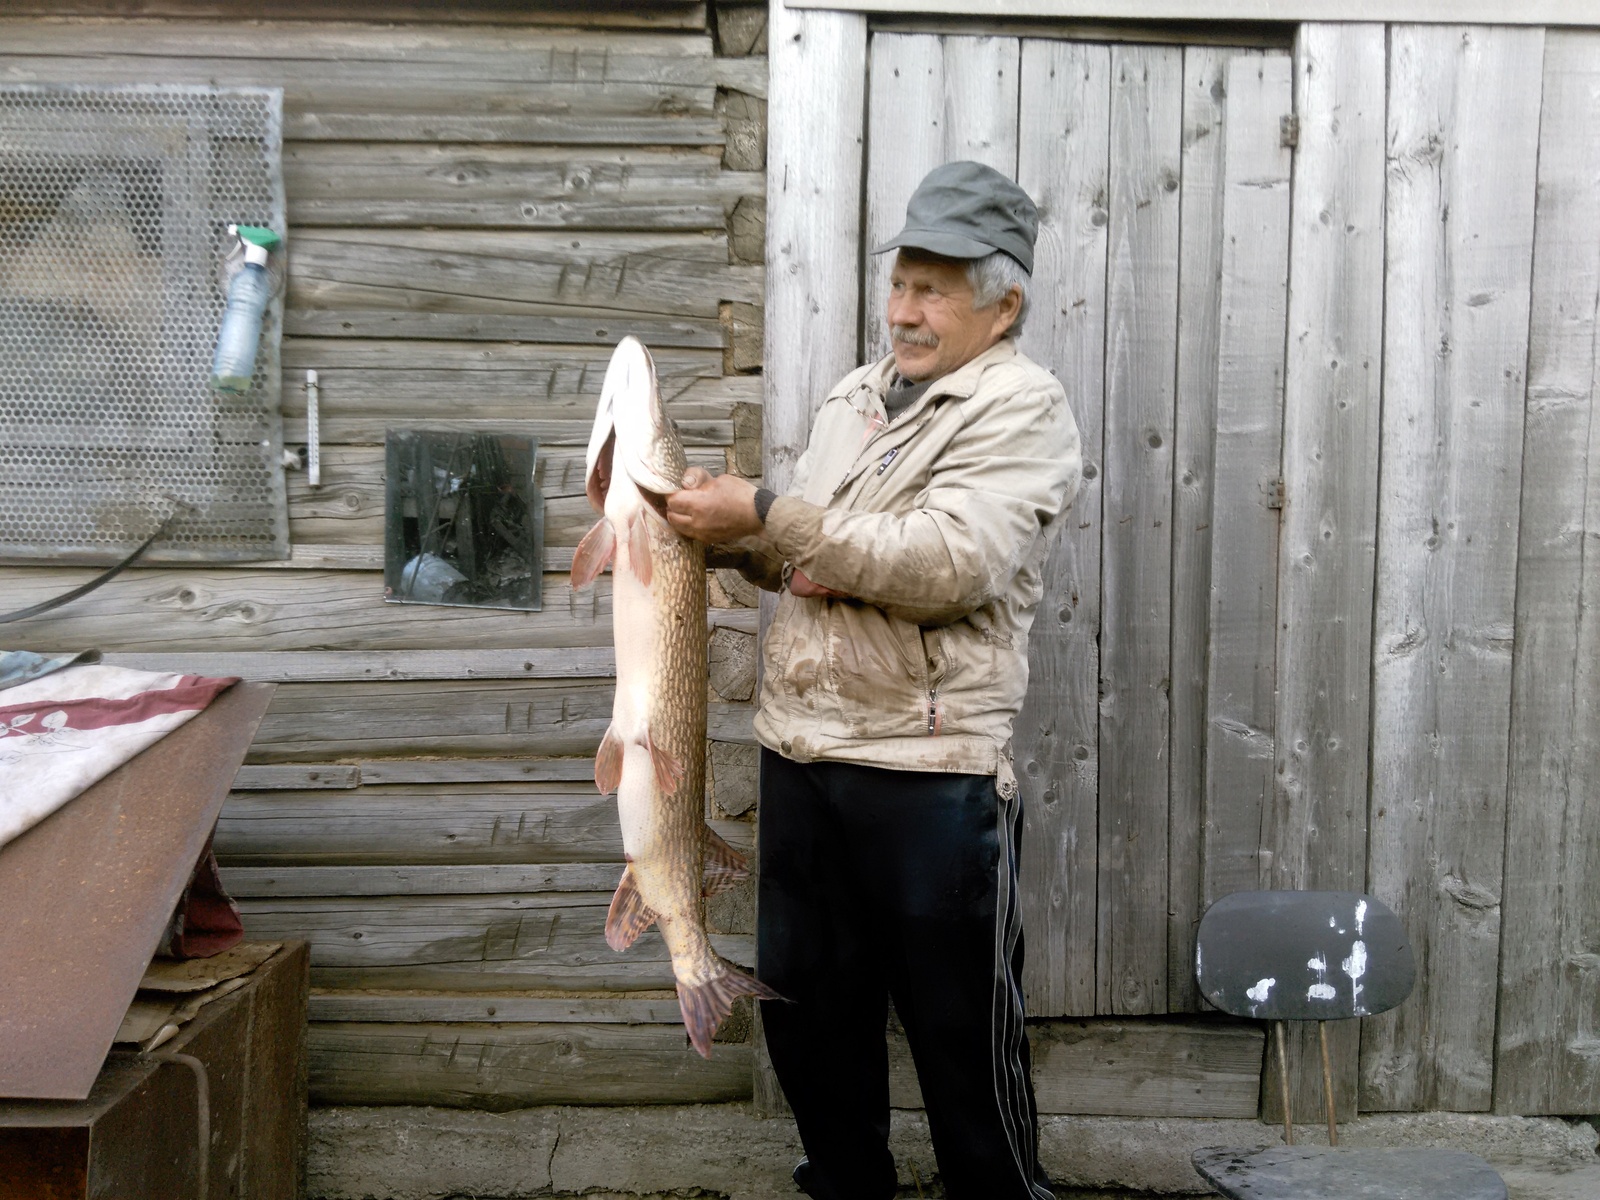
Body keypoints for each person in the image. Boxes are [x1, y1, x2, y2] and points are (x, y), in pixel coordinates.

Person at [665, 160, 1082, 1200]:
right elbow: (812, 555)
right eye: (899, 282)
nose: (903, 310)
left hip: (928, 767)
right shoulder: (858, 397)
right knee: (808, 1014)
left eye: (933, 288)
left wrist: (766, 514)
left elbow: (943, 566)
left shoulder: (1020, 408)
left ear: (1004, 301)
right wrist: (711, 532)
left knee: (957, 1034)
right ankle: (849, 1186)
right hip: (803, 751)